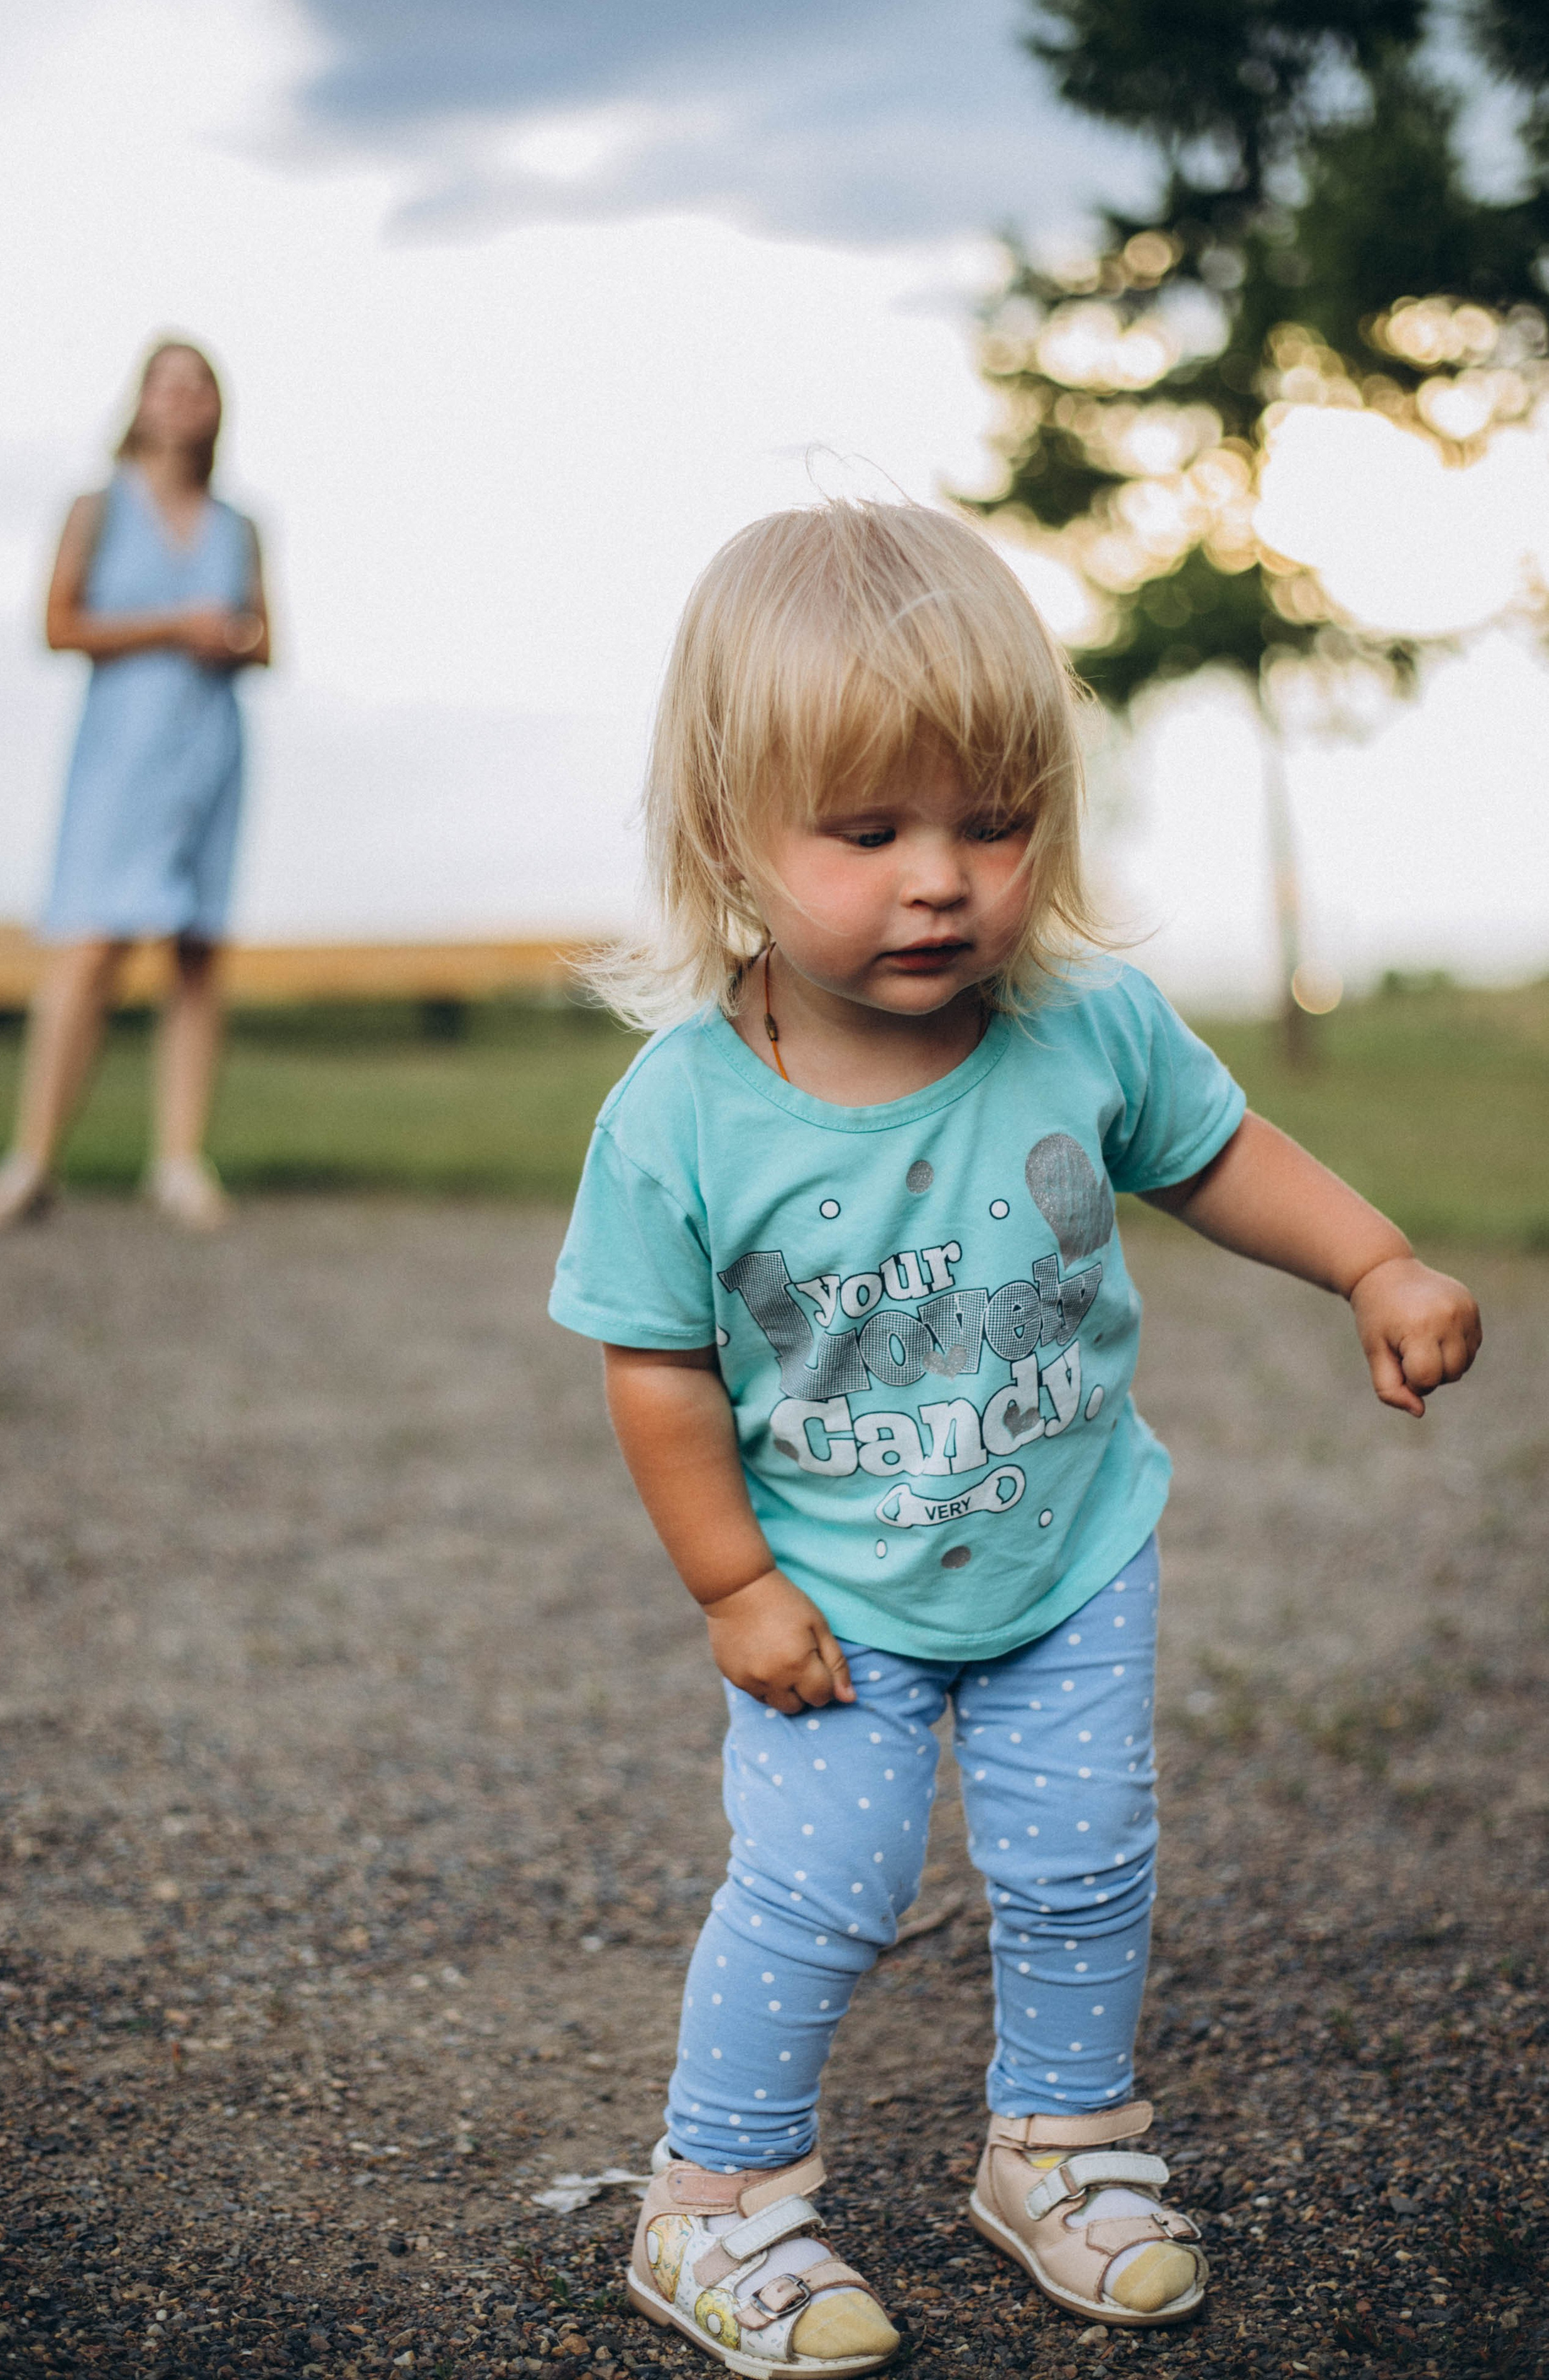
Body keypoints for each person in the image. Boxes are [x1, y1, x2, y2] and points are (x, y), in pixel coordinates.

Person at [547, 501, 1481, 2372]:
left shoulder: (1083, 1030)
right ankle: (715, 2199)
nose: (943, 883)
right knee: (823, 1890)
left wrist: (1370, 1260)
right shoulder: (686, 1117)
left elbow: (1219, 1158)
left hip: (1067, 1554)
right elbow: (651, 1364)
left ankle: (1061, 2147)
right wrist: (731, 1581)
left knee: (1081, 1864)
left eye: (992, 822)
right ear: (731, 830)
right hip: (828, 1584)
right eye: (871, 831)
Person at [0, 338, 268, 1233]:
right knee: (92, 947)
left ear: (217, 408)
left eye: (200, 386)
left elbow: (272, 640)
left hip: (209, 751)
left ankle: (179, 1160)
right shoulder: (95, 509)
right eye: (168, 385)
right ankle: (32, 1159)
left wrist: (237, 637)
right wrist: (179, 625)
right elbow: (58, 625)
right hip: (120, 753)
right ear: (140, 402)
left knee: (196, 953)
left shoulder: (240, 524)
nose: (183, 400)